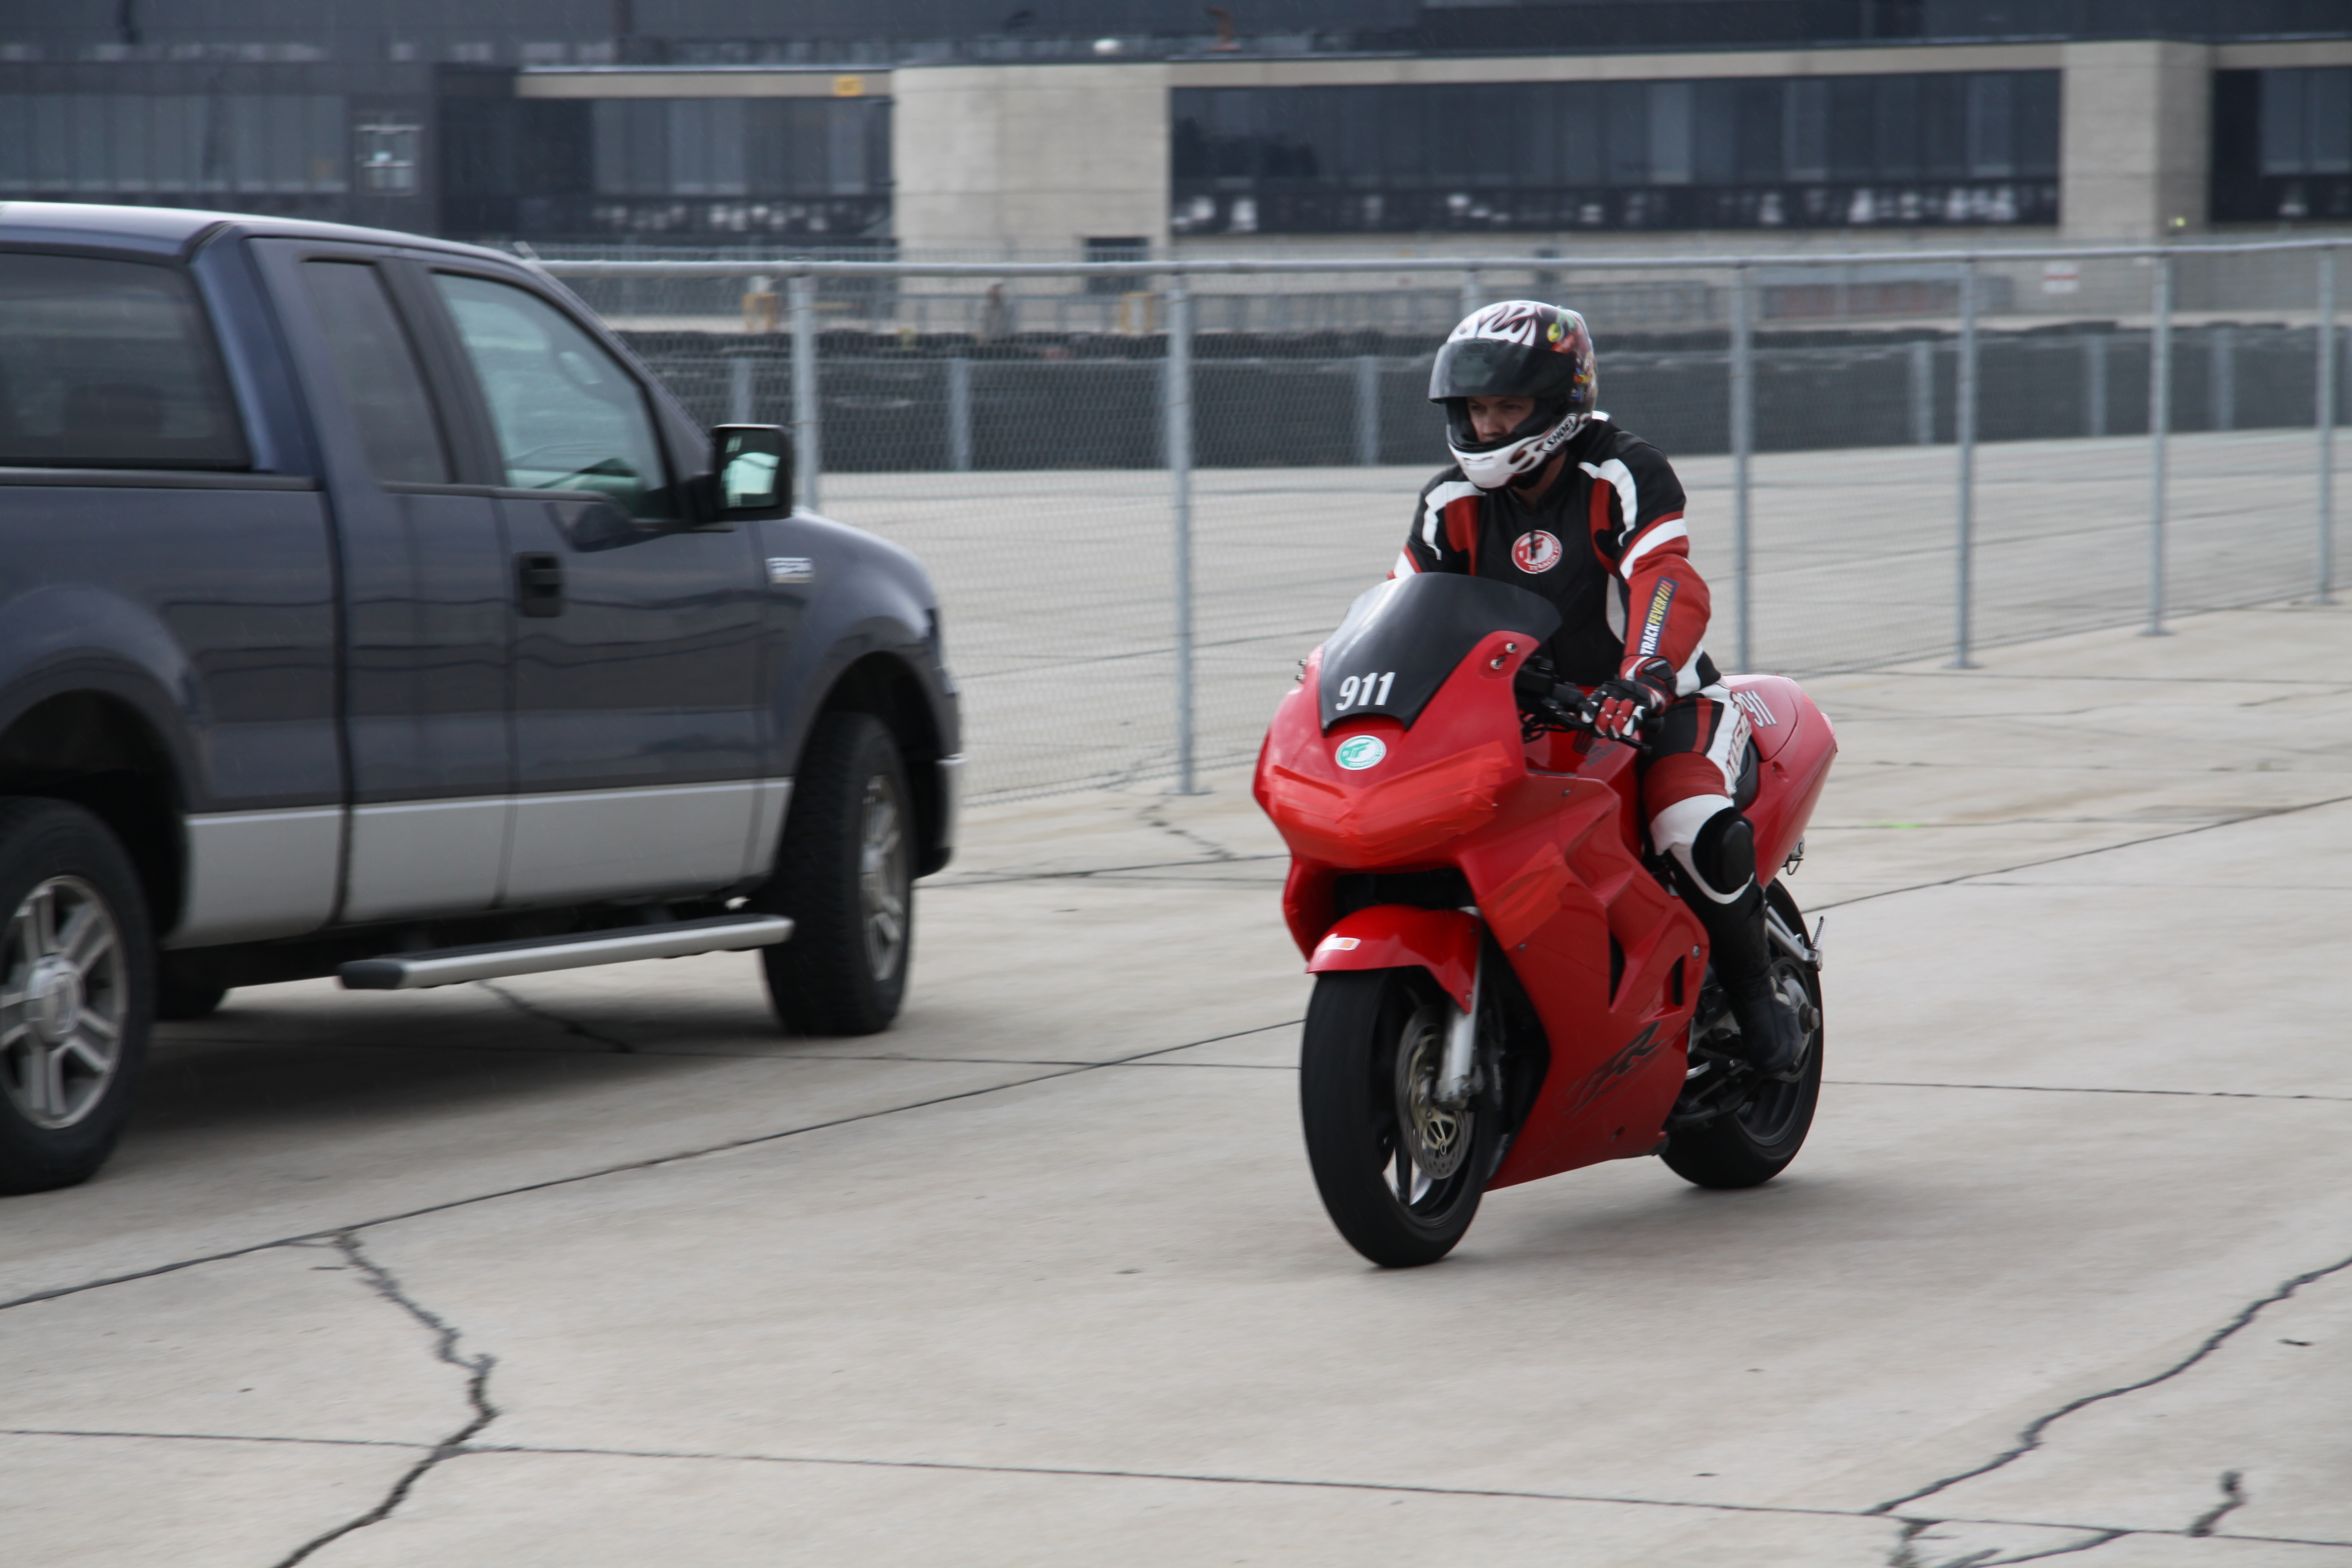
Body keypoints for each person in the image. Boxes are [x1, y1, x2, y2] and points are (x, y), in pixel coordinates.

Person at [1393, 299, 1802, 1077]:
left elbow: (1665, 577)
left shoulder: (1622, 471)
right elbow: (1406, 607)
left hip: (1662, 706)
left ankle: (1758, 1001)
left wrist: (1643, 675)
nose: (1486, 426)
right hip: (1520, 716)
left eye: (1507, 407)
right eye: (1476, 409)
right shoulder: (1450, 503)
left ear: (1558, 405)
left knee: (1688, 821)